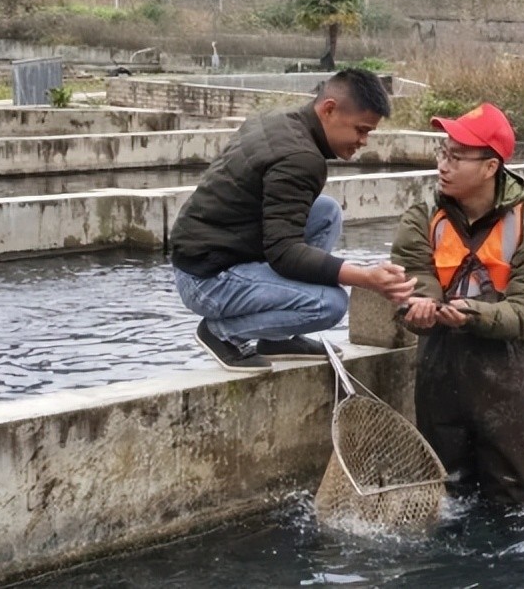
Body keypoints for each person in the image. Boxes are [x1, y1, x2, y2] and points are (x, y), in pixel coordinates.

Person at [170, 69, 416, 371]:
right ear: (329, 109)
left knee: (325, 213)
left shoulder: (281, 121)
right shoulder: (301, 157)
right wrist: (365, 277)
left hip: (204, 254)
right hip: (208, 280)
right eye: (361, 130)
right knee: (330, 304)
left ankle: (278, 336)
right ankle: (222, 333)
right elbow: (284, 253)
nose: (363, 141)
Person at [391, 103, 524, 508]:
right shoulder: (421, 218)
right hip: (439, 376)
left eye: (456, 157)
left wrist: (471, 313)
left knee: (512, 503)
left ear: (490, 167)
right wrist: (422, 308)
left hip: (507, 382)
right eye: (442, 153)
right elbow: (413, 281)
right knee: (443, 498)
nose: (443, 165)